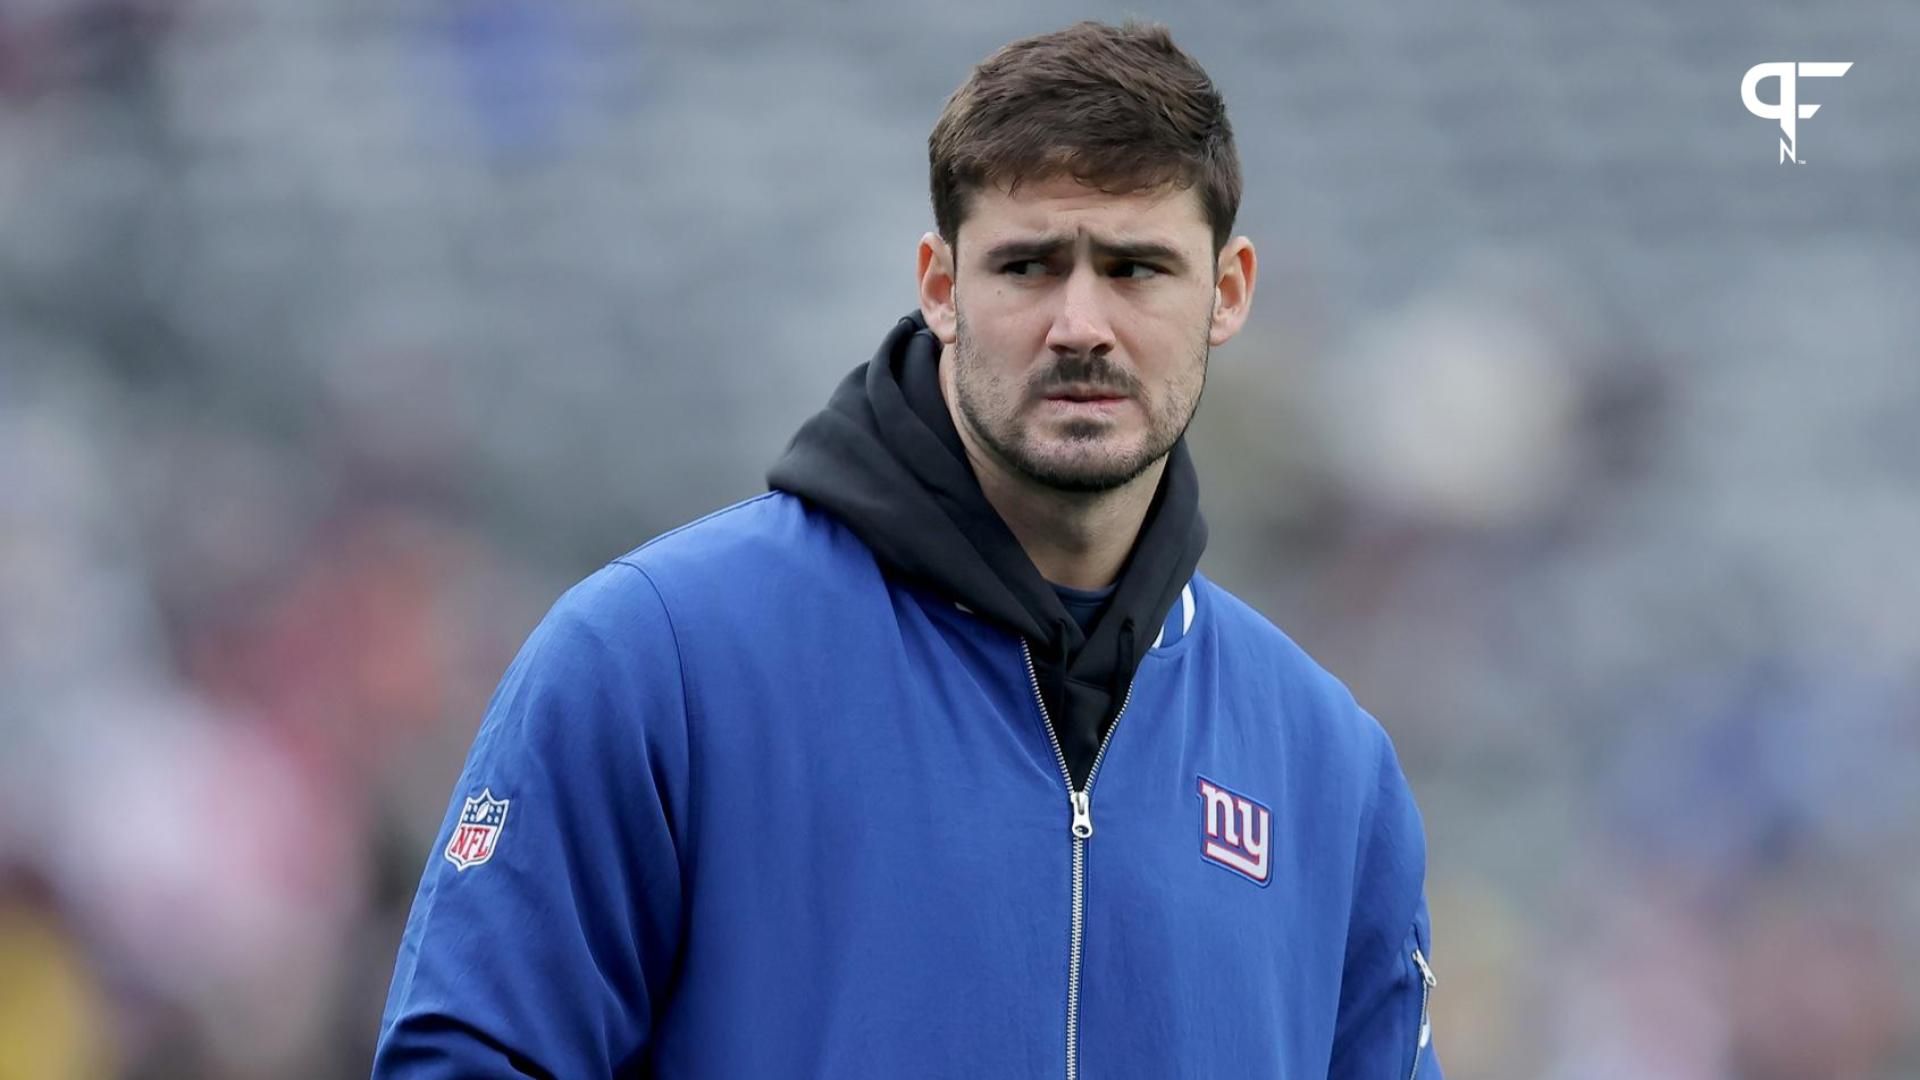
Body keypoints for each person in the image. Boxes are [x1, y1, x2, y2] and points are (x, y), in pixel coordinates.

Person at [373, 20, 1442, 1079]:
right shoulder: (658, 659)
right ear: (939, 285)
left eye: (1135, 267)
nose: (1081, 323)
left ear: (1229, 292)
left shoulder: (1331, 773)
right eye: (1028, 264)